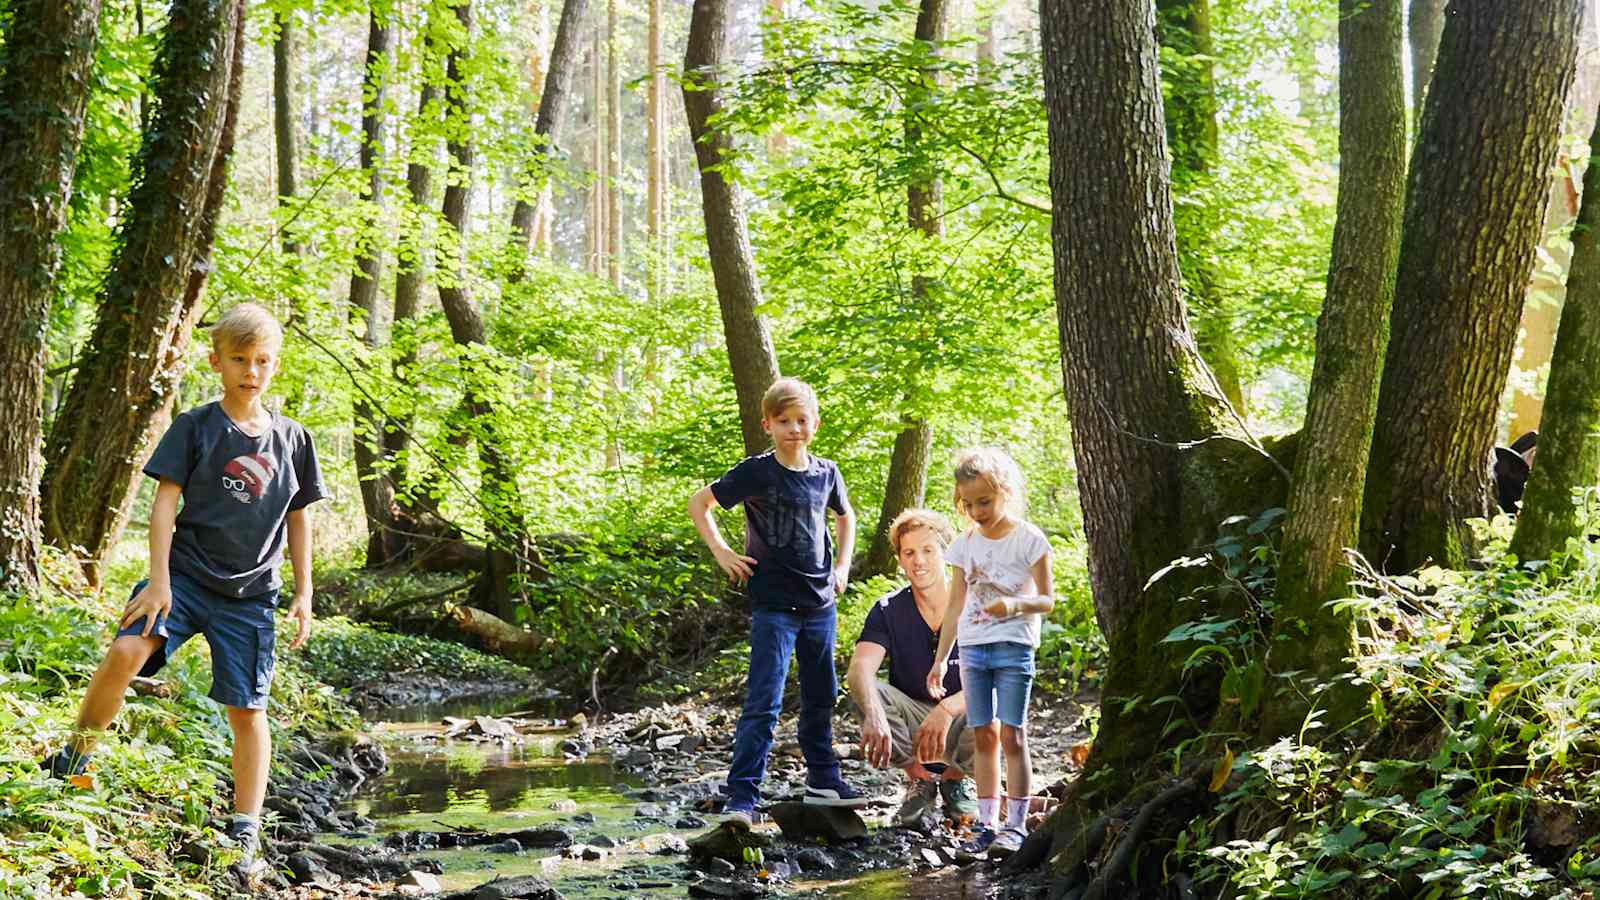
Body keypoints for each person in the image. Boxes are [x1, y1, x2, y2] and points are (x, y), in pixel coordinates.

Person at [40, 303, 326, 872]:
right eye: (240, 359)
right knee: (126, 649)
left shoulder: (294, 440)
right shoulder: (196, 427)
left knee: (248, 709)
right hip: (187, 576)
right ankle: (76, 754)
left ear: (275, 365)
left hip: (251, 596)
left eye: (263, 361)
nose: (251, 371)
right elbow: (165, 505)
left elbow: (299, 516)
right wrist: (160, 581)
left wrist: (303, 591)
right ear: (217, 361)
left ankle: (244, 827)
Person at [687, 378, 867, 828]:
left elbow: (846, 517)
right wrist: (722, 552)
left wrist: (842, 566)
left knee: (821, 694)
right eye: (784, 421)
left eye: (802, 420)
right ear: (767, 424)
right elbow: (699, 504)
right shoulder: (756, 472)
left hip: (820, 604)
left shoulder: (827, 473)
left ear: (815, 424)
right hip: (773, 606)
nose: (794, 429)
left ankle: (823, 780)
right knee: (764, 700)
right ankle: (742, 797)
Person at [928, 448, 1053, 858]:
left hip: (1014, 646)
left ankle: (1015, 826)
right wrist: (941, 657)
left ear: (1005, 492)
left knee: (1013, 733)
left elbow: (1047, 600)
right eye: (969, 504)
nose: (977, 511)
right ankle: (986, 823)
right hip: (974, 649)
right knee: (984, 733)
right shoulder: (965, 544)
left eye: (985, 501)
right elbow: (955, 604)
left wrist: (1013, 605)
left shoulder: (1029, 539)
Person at [848, 508, 979, 826]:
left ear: (946, 554)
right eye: (909, 552)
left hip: (966, 718)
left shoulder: (976, 603)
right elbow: (860, 669)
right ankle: (920, 780)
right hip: (914, 722)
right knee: (866, 691)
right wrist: (875, 713)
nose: (918, 560)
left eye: (928, 550)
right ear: (900, 560)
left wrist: (946, 710)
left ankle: (956, 780)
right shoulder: (888, 609)